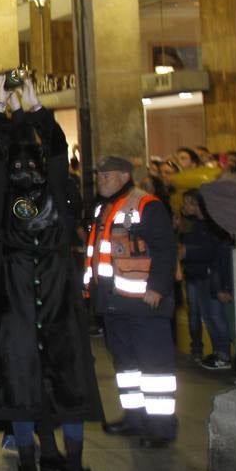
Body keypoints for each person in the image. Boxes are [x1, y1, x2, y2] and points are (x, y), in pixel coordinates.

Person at [0, 83, 102, 471]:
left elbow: (55, 150)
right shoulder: (3, 200)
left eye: (29, 164)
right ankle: (29, 462)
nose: (24, 170)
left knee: (68, 383)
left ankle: (71, 463)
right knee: (20, 382)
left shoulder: (54, 192)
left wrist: (34, 109)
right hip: (19, 306)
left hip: (56, 305)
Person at [86, 155, 178, 447]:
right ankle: (134, 418)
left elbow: (165, 249)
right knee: (126, 366)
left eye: (107, 175)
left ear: (125, 176)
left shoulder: (146, 205)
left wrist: (158, 288)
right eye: (98, 175)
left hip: (144, 303)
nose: (100, 180)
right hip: (113, 303)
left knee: (154, 368)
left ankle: (160, 428)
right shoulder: (104, 207)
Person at [178, 189, 234, 370]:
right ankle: (219, 352)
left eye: (189, 203)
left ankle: (224, 354)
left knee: (216, 316)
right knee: (209, 317)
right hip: (200, 275)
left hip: (211, 277)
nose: (185, 206)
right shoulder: (195, 224)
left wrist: (188, 251)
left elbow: (214, 252)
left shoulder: (214, 225)